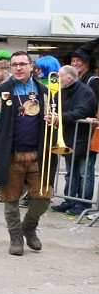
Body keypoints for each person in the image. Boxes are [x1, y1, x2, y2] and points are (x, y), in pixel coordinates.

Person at [0, 51, 54, 256]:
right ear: (10, 68)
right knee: (11, 198)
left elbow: (56, 122)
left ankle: (28, 227)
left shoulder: (45, 91)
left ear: (31, 67)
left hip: (38, 155)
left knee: (43, 197)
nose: (19, 68)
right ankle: (15, 236)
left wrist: (54, 121)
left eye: (23, 64)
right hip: (9, 154)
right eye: (15, 65)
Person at [48, 65, 97, 215]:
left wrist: (59, 117)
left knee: (85, 173)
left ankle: (83, 204)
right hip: (70, 137)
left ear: (68, 78)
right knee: (70, 173)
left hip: (83, 139)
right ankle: (69, 200)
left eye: (60, 77)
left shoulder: (85, 91)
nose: (58, 80)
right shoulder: (63, 91)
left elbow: (82, 111)